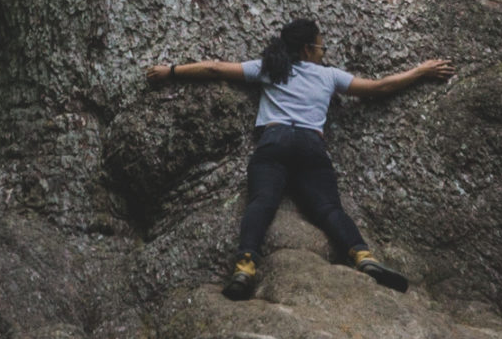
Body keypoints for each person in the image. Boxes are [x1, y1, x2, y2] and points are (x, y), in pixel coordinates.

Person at [146, 17, 454, 300]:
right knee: (328, 208)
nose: (323, 52)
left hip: (275, 140)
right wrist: (421, 71)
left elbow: (215, 68)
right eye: (322, 45)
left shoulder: (270, 68)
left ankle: (245, 265)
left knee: (262, 202)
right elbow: (379, 87)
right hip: (310, 145)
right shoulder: (329, 76)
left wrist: (170, 71)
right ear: (308, 48)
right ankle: (363, 256)